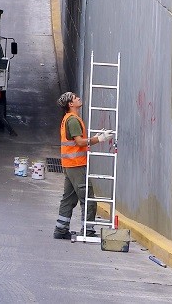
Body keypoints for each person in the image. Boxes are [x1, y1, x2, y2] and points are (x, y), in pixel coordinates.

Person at [54, 92, 112, 239]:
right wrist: (99, 139)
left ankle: (60, 230)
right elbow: (79, 142)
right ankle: (88, 230)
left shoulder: (69, 119)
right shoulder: (73, 120)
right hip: (76, 165)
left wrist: (96, 137)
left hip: (69, 165)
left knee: (69, 198)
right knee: (88, 198)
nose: (78, 97)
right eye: (74, 97)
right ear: (70, 104)